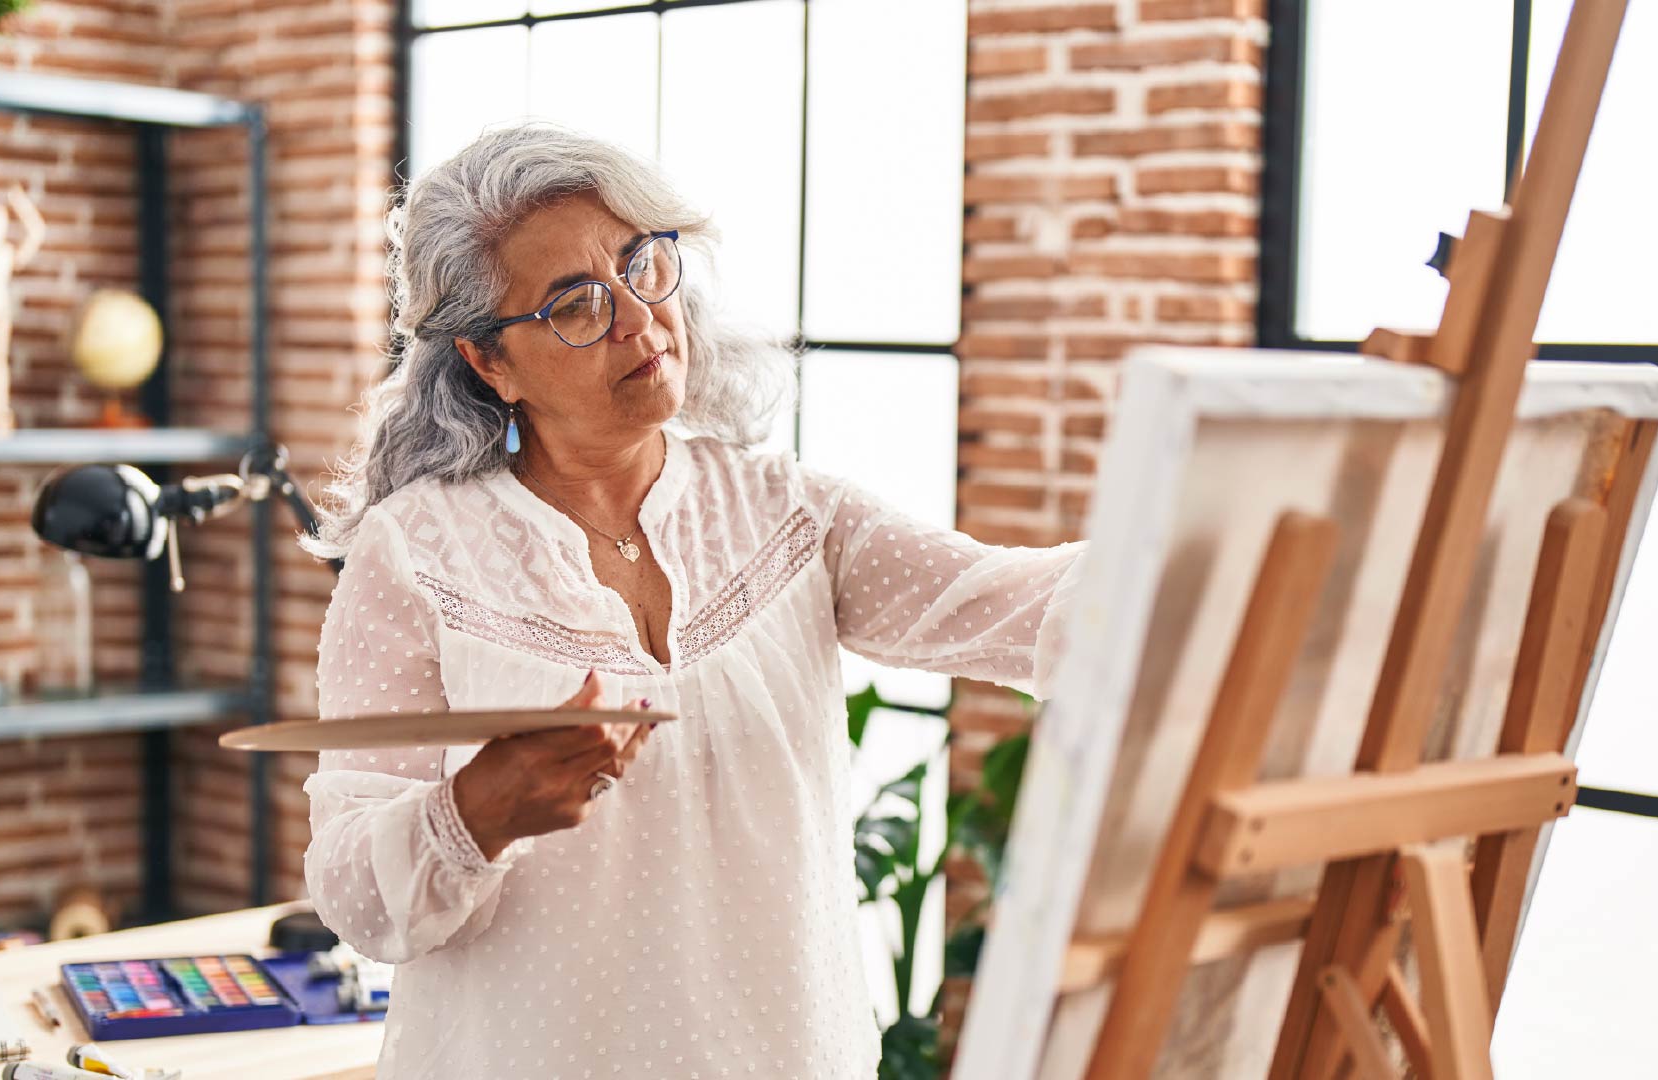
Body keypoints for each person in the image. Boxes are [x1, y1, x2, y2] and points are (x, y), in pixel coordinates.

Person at [300, 122, 1085, 1079]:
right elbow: (355, 898)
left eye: (643, 266)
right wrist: (481, 810)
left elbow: (1032, 610)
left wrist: (1254, 515)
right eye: (575, 306)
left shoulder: (788, 511)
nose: (637, 319)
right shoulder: (417, 555)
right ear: (487, 362)